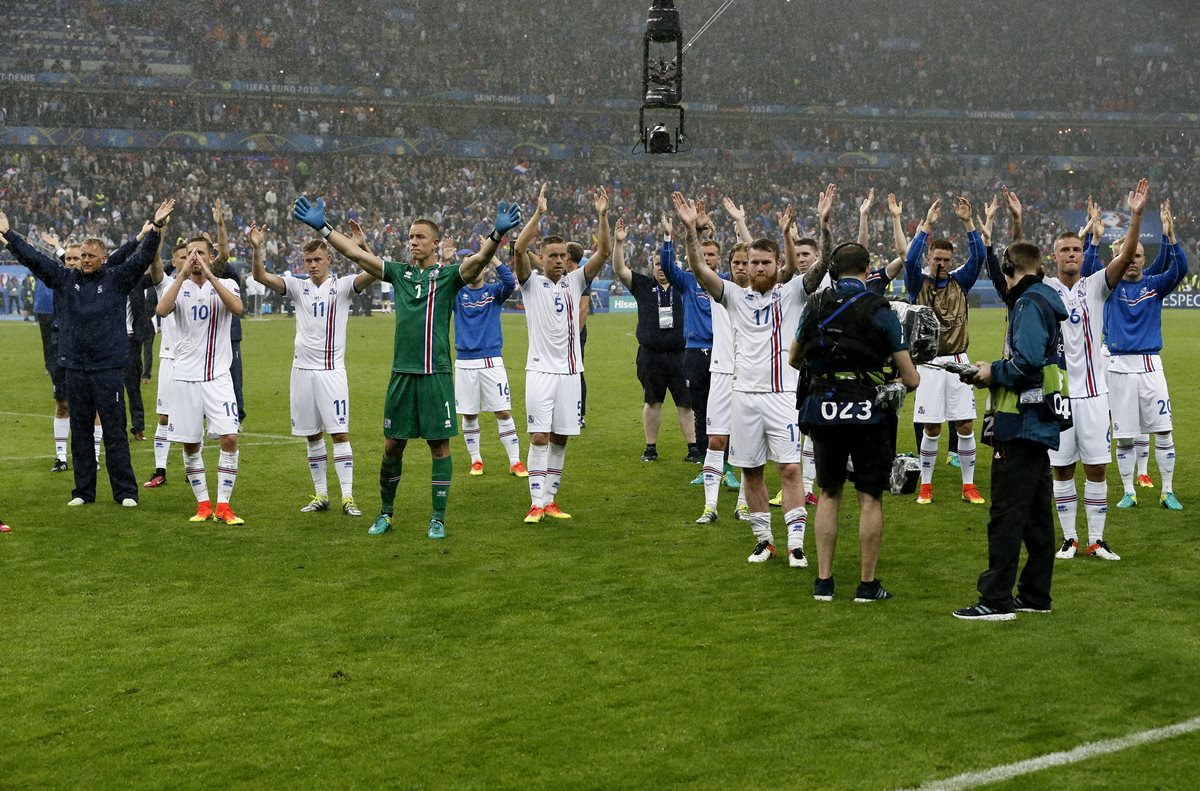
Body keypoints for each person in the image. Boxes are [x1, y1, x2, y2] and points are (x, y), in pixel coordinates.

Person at [293, 193, 522, 539]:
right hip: (401, 375)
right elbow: (357, 255)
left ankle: (437, 518)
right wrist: (324, 228)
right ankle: (386, 513)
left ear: (435, 243)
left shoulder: (448, 276)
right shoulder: (399, 274)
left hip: (436, 374)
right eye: (410, 237)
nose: (412, 242)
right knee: (392, 446)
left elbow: (479, 261)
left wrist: (497, 234)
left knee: (439, 447)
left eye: (419, 237)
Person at [675, 187, 829, 567]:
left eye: (765, 262)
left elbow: (821, 266)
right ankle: (765, 541)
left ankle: (796, 545)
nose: (758, 268)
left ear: (778, 264)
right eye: (754, 262)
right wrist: (691, 231)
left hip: (782, 396)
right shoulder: (733, 295)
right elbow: (699, 270)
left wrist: (823, 225)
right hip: (743, 396)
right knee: (751, 471)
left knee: (789, 469)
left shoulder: (792, 293)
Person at [994, 183, 1147, 562]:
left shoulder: (1097, 285)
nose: (1072, 254)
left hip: (1094, 395)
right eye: (1065, 250)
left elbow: (1128, 253)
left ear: (1083, 254)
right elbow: (1016, 259)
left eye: (1077, 249)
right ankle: (1070, 539)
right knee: (1061, 470)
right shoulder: (1042, 288)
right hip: (1057, 395)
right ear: (1054, 257)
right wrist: (1016, 220)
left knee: (1097, 468)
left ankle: (1097, 540)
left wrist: (1136, 215)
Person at [1, 200, 174, 507]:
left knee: (115, 432)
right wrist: (9, 234)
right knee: (80, 432)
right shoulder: (66, 279)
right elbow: (35, 260)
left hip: (108, 368)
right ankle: (83, 492)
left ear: (103, 258)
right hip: (76, 368)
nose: (85, 260)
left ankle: (125, 492)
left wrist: (157, 227)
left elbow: (143, 258)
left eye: (91, 256)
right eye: (82, 256)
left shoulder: (117, 279)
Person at [792, 242, 920, 602]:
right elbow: (911, 378)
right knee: (870, 497)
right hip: (869, 413)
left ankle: (824, 582)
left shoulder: (815, 304)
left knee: (829, 493)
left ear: (834, 270)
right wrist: (889, 379)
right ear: (867, 270)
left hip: (824, 409)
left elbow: (794, 358)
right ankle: (866, 585)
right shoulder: (880, 308)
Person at [952, 241, 1070, 621]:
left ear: (1009, 270)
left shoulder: (1027, 303)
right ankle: (1035, 594)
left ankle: (996, 599)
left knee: (1006, 513)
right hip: (1039, 419)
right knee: (1036, 516)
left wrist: (992, 372)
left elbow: (1026, 363)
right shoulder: (1043, 299)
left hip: (1021, 420)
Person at [249, 225, 376, 517]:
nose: (313, 265)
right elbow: (260, 276)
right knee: (312, 435)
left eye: (318, 260)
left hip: (331, 371)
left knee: (339, 434)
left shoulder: (343, 285)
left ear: (329, 259)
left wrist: (361, 246)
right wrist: (257, 248)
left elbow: (375, 271)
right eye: (308, 261)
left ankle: (348, 497)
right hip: (301, 371)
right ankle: (321, 494)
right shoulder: (297, 286)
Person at [511, 183, 611, 523]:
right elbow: (519, 247)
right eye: (551, 255)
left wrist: (602, 216)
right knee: (539, 436)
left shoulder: (575, 281)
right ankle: (535, 502)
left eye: (561, 256)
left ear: (568, 259)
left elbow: (604, 252)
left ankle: (550, 500)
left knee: (560, 437)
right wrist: (538, 214)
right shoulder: (531, 283)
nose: (557, 260)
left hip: (570, 372)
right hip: (540, 372)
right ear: (541, 258)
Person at [1100, 198, 1188, 511]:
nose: (1132, 261)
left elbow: (1180, 268)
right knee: (1125, 436)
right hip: (1119, 368)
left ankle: (1167, 491)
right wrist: (1093, 239)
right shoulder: (1108, 287)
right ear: (1119, 259)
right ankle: (1129, 492)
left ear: (1143, 258)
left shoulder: (1154, 285)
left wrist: (1170, 235)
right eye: (1127, 256)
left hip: (1151, 366)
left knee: (1164, 430)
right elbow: (1088, 268)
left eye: (1137, 256)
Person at [156, 235, 246, 525]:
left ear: (211, 257)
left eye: (201, 253)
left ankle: (224, 505)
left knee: (229, 437)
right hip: (185, 377)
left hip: (218, 377)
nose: (195, 257)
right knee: (191, 444)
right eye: (190, 253)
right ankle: (203, 504)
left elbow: (237, 308)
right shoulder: (177, 287)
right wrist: (182, 275)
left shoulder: (227, 283)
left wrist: (209, 275)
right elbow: (161, 310)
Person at [904, 197, 987, 506]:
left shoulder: (960, 282)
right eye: (936, 258)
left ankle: (969, 485)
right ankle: (926, 486)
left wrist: (968, 222)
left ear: (952, 262)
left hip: (958, 361)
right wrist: (926, 225)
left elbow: (979, 257)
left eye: (946, 260)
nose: (941, 263)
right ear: (929, 258)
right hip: (929, 364)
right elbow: (910, 260)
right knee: (931, 427)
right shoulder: (917, 282)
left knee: (965, 425)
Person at [612, 215, 695, 463]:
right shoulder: (643, 285)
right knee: (652, 402)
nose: (660, 268)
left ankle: (693, 448)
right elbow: (620, 269)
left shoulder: (684, 285)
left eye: (664, 264)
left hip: (681, 354)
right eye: (657, 264)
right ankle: (650, 448)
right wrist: (619, 243)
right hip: (651, 355)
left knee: (686, 404)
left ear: (674, 264)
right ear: (652, 265)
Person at [450, 238, 527, 478]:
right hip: (465, 362)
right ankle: (476, 460)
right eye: (468, 265)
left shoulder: (493, 292)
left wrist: (490, 254)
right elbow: (437, 285)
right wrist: (445, 260)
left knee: (503, 411)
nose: (473, 269)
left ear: (483, 267)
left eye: (476, 264)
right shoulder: (456, 294)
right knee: (469, 414)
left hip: (492, 361)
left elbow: (510, 282)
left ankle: (515, 462)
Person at [143, 240, 186, 490]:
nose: (187, 260)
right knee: (164, 417)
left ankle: (193, 470)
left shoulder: (205, 286)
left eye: (191, 255)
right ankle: (160, 470)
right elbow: (155, 263)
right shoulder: (166, 284)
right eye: (182, 257)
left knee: (193, 419)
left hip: (197, 362)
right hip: (170, 359)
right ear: (174, 261)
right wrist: (159, 232)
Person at [33, 231, 70, 473]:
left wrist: (58, 246)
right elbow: (34, 261)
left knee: (93, 408)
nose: (73, 262)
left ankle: (95, 456)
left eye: (77, 258)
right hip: (62, 352)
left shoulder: (87, 282)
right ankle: (61, 458)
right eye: (70, 259)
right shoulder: (59, 278)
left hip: (87, 354)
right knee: (62, 404)